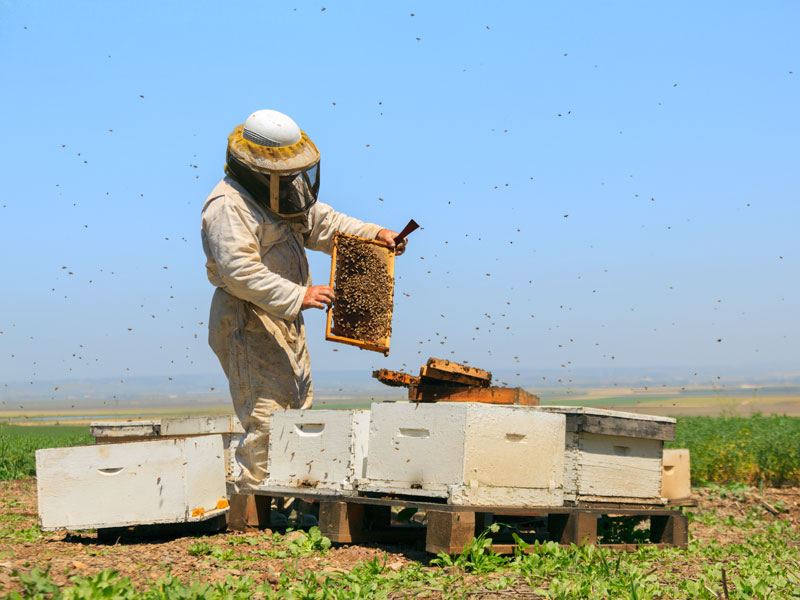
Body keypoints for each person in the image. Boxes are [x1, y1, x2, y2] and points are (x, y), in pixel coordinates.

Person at [201, 109, 406, 491]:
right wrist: (300, 294)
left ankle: (285, 499)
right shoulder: (228, 206)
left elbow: (323, 223)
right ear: (259, 170)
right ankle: (255, 505)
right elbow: (238, 272)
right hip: (248, 319)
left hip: (284, 318)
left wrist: (375, 234)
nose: (293, 179)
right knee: (266, 418)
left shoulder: (281, 191)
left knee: (296, 413)